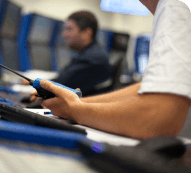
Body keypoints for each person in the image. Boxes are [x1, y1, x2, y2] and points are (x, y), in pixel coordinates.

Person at [30, 0, 191, 139]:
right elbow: (153, 89)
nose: (65, 34)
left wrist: (74, 109)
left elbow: (157, 118)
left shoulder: (176, 6)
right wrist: (76, 102)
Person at [23, 11, 112, 96]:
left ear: (87, 32)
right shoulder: (92, 54)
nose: (64, 34)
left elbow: (60, 84)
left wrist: (36, 83)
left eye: (69, 29)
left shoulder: (92, 59)